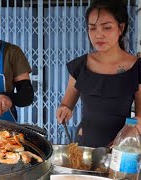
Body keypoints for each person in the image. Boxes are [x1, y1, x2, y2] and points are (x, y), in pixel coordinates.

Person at [56, 0, 141, 148]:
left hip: (121, 148)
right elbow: (66, 104)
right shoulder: (80, 65)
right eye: (92, 28)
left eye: (107, 28)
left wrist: (126, 138)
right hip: (83, 145)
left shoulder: (137, 67)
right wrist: (64, 110)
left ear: (121, 28)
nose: (98, 35)